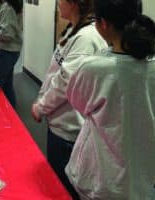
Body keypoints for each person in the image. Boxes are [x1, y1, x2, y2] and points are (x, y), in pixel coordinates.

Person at [62, 0, 155, 199]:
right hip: (140, 177)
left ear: (103, 24)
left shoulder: (94, 68)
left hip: (100, 178)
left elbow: (77, 101)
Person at [31, 0, 106, 197]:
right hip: (60, 123)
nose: (57, 4)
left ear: (73, 3)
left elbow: (65, 83)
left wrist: (41, 107)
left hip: (69, 129)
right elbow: (55, 74)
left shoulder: (87, 37)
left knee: (63, 190)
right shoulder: (73, 30)